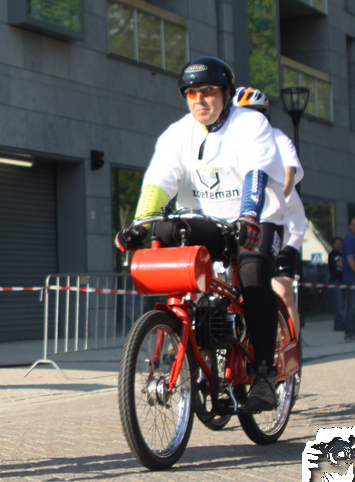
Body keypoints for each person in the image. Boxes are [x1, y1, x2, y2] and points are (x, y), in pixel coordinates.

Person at [116, 58, 287, 410]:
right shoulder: (177, 133)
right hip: (207, 221)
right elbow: (159, 180)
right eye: (191, 93)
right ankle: (185, 335)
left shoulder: (250, 123)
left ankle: (264, 374)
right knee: (164, 230)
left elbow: (256, 172)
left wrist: (249, 215)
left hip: (256, 219)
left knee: (253, 275)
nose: (199, 100)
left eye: (208, 92)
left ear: (225, 93)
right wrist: (139, 225)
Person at [233, 87, 304, 342]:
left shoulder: (277, 138)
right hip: (244, 223)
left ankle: (290, 347)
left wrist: (270, 200)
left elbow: (288, 175)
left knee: (281, 290)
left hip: (282, 223)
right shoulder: (232, 144)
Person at [327, 237, 345, 331]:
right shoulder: (333, 254)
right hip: (336, 281)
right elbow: (341, 265)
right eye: (337, 243)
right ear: (333, 245)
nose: (339, 245)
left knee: (342, 304)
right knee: (339, 304)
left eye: (340, 243)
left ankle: (341, 323)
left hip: (343, 281)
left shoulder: (342, 254)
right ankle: (339, 324)